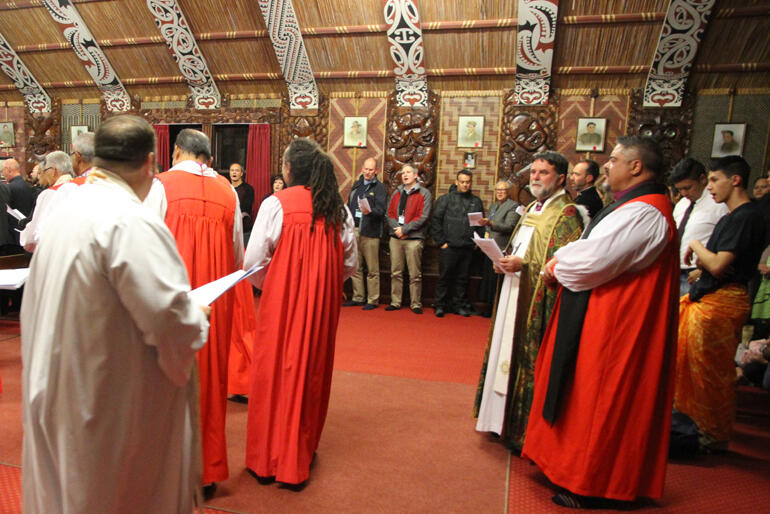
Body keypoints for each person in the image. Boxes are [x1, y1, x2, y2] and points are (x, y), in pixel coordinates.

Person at [21, 115, 211, 513]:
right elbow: (170, 321)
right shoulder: (131, 221)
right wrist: (197, 314)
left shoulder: (62, 213)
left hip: (56, 387)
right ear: (149, 164)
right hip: (104, 403)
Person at [521, 136, 680, 508]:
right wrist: (565, 259)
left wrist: (558, 264)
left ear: (636, 166)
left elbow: (594, 259)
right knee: (583, 397)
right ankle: (570, 468)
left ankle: (593, 482)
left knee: (599, 400)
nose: (607, 166)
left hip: (617, 324)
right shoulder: (636, 204)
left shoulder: (646, 210)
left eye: (613, 159)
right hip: (603, 313)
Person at [243, 138, 357, 486]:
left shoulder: (276, 204)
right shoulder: (338, 209)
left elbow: (253, 262)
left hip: (281, 300)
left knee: (274, 369)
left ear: (289, 169)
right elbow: (349, 263)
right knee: (311, 369)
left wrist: (274, 283)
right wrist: (320, 281)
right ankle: (299, 453)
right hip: (322, 304)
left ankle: (267, 460)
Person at [147, 128, 243, 496]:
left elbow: (145, 241)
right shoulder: (228, 191)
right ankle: (207, 472)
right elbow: (238, 256)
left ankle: (169, 471)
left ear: (176, 152)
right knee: (211, 384)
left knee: (167, 381)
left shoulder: (160, 186)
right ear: (206, 157)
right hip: (215, 306)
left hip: (172, 301)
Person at [474, 151, 584, 449]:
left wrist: (526, 265)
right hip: (513, 288)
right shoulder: (534, 208)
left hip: (536, 298)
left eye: (543, 173)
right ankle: (497, 420)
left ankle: (522, 429)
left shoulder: (567, 213)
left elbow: (565, 262)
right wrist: (503, 260)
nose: (535, 177)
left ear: (560, 178)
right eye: (533, 172)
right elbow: (518, 246)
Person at [675, 156, 767, 452]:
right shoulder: (730, 216)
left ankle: (710, 432)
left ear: (735, 180)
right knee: (693, 369)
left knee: (710, 373)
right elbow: (714, 264)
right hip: (710, 295)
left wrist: (696, 246)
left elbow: (718, 264)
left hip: (723, 302)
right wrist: (703, 264)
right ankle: (691, 427)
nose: (710, 187)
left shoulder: (747, 215)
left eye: (714, 180)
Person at [670, 158, 728, 296]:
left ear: (702, 179)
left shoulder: (719, 204)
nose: (684, 193)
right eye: (679, 189)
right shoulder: (682, 204)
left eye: (688, 188)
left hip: (697, 273)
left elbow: (724, 244)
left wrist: (704, 270)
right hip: (674, 270)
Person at [432, 170, 484, 317]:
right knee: (444, 278)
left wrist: (477, 241)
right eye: (462, 181)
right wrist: (441, 242)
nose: (465, 184)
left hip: (467, 247)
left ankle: (459, 305)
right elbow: (436, 221)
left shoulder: (476, 201)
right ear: (456, 182)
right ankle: (439, 305)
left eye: (467, 182)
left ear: (470, 183)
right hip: (449, 246)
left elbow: (480, 223)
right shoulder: (445, 199)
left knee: (462, 279)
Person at [385, 164, 432, 313]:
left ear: (415, 176)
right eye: (403, 172)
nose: (405, 175)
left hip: (414, 239)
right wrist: (397, 230)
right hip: (396, 238)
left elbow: (423, 217)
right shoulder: (397, 192)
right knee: (396, 272)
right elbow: (389, 213)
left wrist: (404, 229)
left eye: (408, 172)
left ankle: (415, 303)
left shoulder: (424, 193)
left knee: (414, 274)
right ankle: (395, 301)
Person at [343, 157, 387, 310]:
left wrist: (370, 212)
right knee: (357, 267)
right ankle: (358, 296)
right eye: (366, 169)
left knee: (372, 269)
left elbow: (381, 211)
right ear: (362, 169)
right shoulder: (357, 184)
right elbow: (350, 205)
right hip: (355, 229)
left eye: (371, 170)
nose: (368, 172)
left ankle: (372, 299)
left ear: (376, 171)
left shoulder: (380, 188)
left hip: (370, 232)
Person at [477, 180, 521, 314]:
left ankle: (497, 309)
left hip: (502, 248)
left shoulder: (513, 206)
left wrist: (490, 223)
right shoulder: (494, 206)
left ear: (508, 192)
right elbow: (488, 225)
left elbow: (509, 226)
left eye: (503, 190)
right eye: (498, 190)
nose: (500, 193)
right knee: (488, 279)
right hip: (489, 246)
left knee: (497, 280)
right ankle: (488, 307)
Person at [19, 151, 76, 252]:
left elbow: (33, 235)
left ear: (53, 171)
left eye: (45, 171)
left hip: (57, 251)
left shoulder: (49, 194)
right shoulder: (84, 186)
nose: (44, 175)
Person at [229, 162, 254, 231]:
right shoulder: (227, 187)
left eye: (237, 170)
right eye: (232, 170)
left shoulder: (248, 189)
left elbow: (246, 208)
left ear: (241, 173)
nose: (234, 172)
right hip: (228, 224)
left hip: (243, 225)